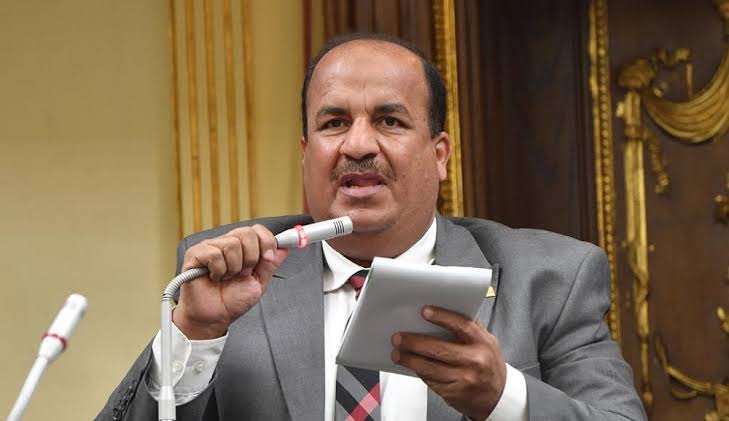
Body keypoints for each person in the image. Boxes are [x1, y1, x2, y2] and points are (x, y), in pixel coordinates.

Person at [97, 33, 647, 421]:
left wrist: (504, 397)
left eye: (389, 120)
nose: (358, 145)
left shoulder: (551, 279)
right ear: (306, 153)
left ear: (440, 155)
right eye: (334, 122)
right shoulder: (227, 274)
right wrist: (192, 335)